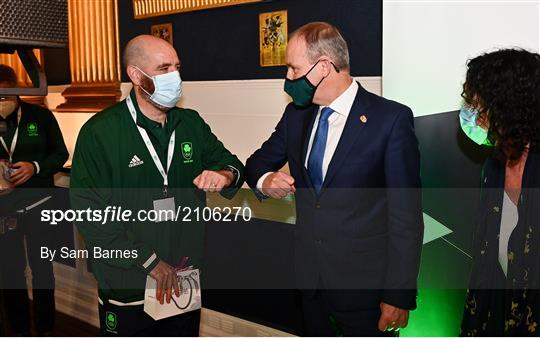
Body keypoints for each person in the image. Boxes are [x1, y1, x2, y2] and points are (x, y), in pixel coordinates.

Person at [245, 22, 424, 336]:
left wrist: (398, 295)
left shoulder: (390, 120)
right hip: (310, 285)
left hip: (365, 292)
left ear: (324, 67)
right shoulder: (296, 116)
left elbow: (406, 216)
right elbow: (256, 163)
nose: (288, 77)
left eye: (293, 68)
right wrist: (266, 179)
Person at [69, 35, 244, 336]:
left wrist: (224, 176)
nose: (174, 77)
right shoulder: (99, 133)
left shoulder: (190, 124)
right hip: (126, 283)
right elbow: (90, 214)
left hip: (183, 277)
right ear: (136, 76)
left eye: (177, 67)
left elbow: (233, 165)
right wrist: (149, 262)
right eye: (163, 69)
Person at [460, 49, 540, 336]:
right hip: (499, 312)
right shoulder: (493, 168)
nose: (472, 108)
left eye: (478, 99)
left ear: (506, 101)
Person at [0, 64, 69, 335]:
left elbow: (59, 154)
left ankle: (45, 329)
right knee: (10, 273)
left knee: (43, 271)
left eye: (6, 95)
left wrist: (35, 167)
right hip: (4, 209)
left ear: (18, 91)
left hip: (40, 204)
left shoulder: (41, 117)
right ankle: (17, 330)